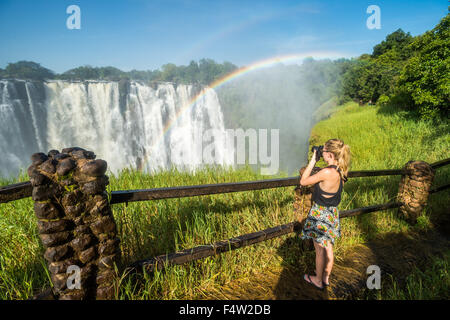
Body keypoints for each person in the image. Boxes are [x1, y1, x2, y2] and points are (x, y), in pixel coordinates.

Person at [299, 139, 351, 290]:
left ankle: (317, 280)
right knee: (328, 247)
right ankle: (325, 277)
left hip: (320, 213)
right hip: (332, 213)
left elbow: (304, 181)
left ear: (328, 154)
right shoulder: (341, 170)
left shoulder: (327, 172)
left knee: (319, 250)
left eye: (323, 151)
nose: (321, 152)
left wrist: (313, 160)